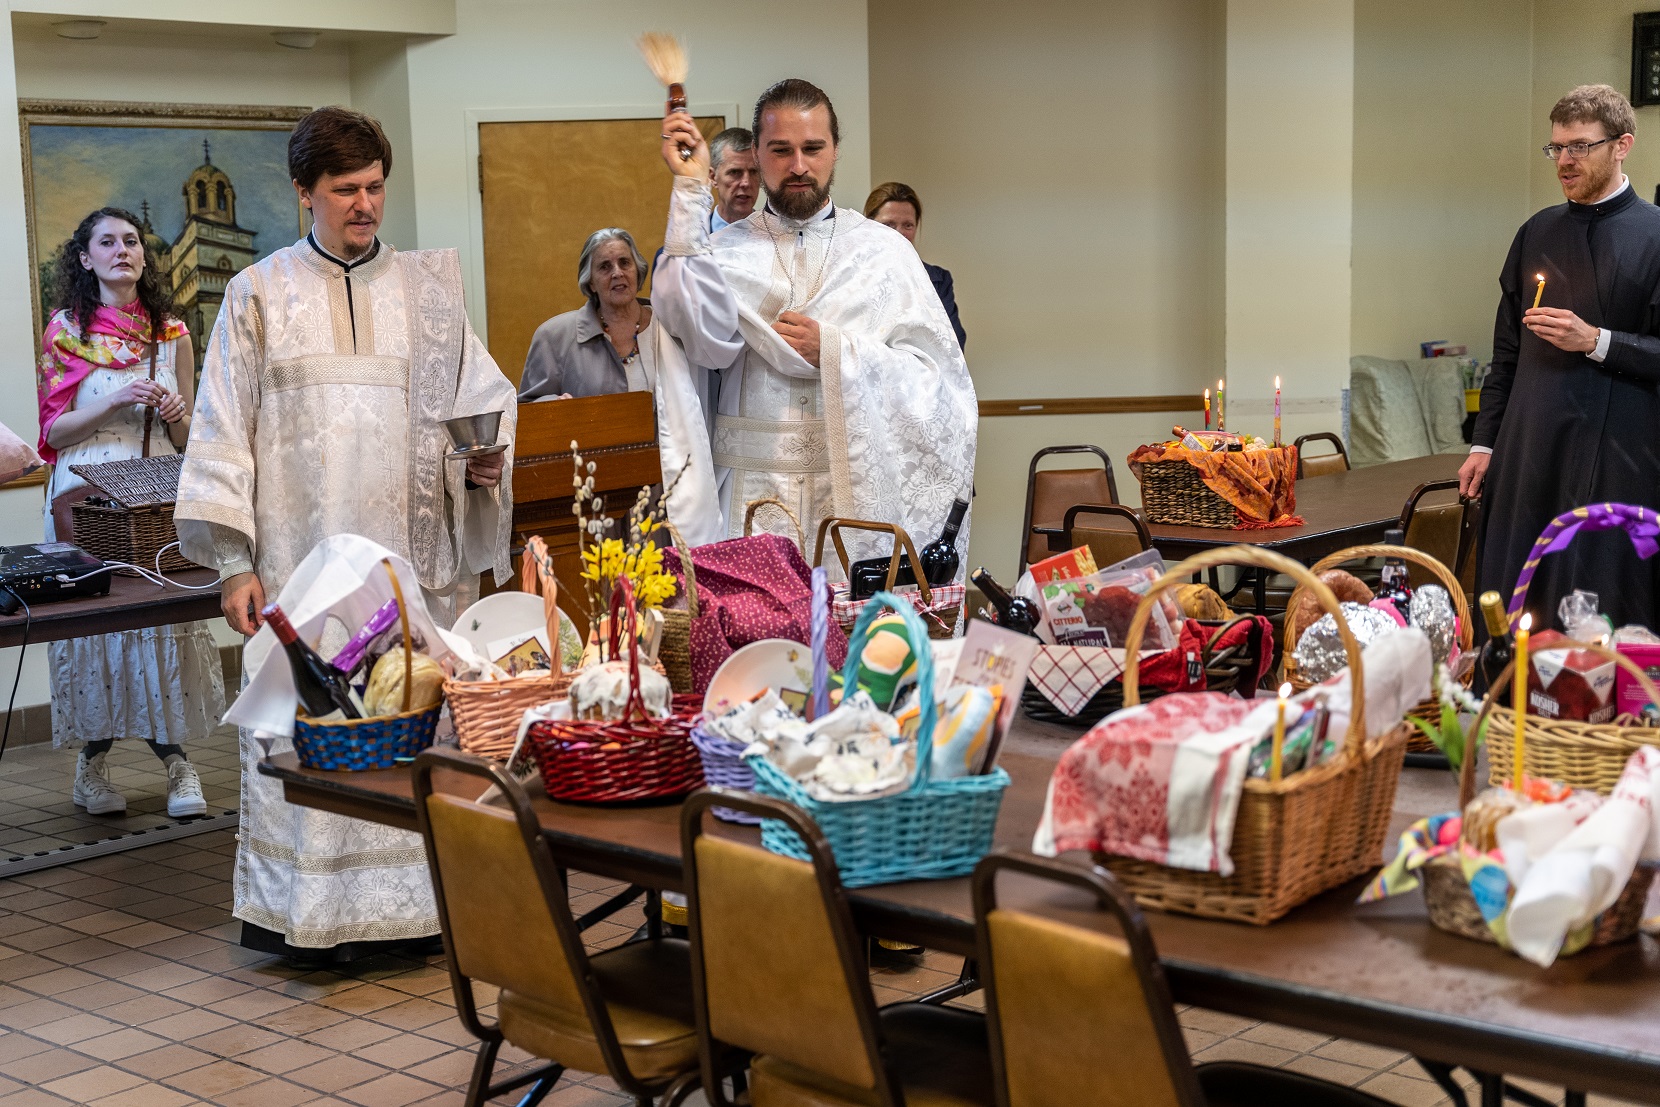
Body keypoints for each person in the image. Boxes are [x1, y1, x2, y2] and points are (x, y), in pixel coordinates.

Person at [175, 106, 517, 962]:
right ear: (304, 192)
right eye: (344, 190)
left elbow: (483, 406)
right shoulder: (258, 294)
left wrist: (483, 461)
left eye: (374, 187)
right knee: (312, 726)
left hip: (409, 566)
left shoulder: (430, 296)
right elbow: (222, 430)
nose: (365, 204)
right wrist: (234, 563)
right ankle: (310, 918)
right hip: (303, 564)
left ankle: (417, 914)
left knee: (410, 723)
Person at [650, 79, 978, 556]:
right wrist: (688, 186)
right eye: (781, 150)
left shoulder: (885, 254)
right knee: (753, 607)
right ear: (757, 153)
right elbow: (689, 329)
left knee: (853, 607)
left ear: (836, 150)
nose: (798, 166)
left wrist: (835, 350)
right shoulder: (722, 255)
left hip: (852, 494)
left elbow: (941, 385)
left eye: (813, 148)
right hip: (749, 494)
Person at [35, 208, 223, 819]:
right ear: (85, 258)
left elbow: (187, 438)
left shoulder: (172, 334)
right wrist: (116, 398)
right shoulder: (65, 330)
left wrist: (174, 412)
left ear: (144, 256)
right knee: (96, 630)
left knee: (160, 626)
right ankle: (91, 768)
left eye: (132, 241)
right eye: (108, 242)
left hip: (153, 495)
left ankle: (179, 766)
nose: (123, 250)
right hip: (86, 497)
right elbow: (53, 433)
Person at [1461, 84, 1660, 633]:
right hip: (1529, 450)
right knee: (1516, 597)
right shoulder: (1536, 232)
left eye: (1579, 147)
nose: (1564, 161)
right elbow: (1506, 353)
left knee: (1599, 603)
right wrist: (1484, 442)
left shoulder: (1655, 235)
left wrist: (1596, 340)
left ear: (1622, 145)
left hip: (1618, 454)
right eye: (1556, 148)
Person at [519, 228, 659, 400]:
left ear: (637, 271)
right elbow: (528, 408)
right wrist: (555, 406)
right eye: (605, 267)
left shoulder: (667, 327)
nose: (617, 273)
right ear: (591, 281)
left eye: (624, 263)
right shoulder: (554, 337)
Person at [864, 181, 966, 350]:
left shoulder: (938, 280)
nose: (899, 234)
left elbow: (953, 346)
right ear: (869, 226)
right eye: (888, 225)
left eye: (908, 225)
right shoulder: (853, 276)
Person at [707, 127, 759, 231]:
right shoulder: (691, 238)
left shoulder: (779, 238)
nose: (746, 183)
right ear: (713, 177)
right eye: (735, 172)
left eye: (753, 172)